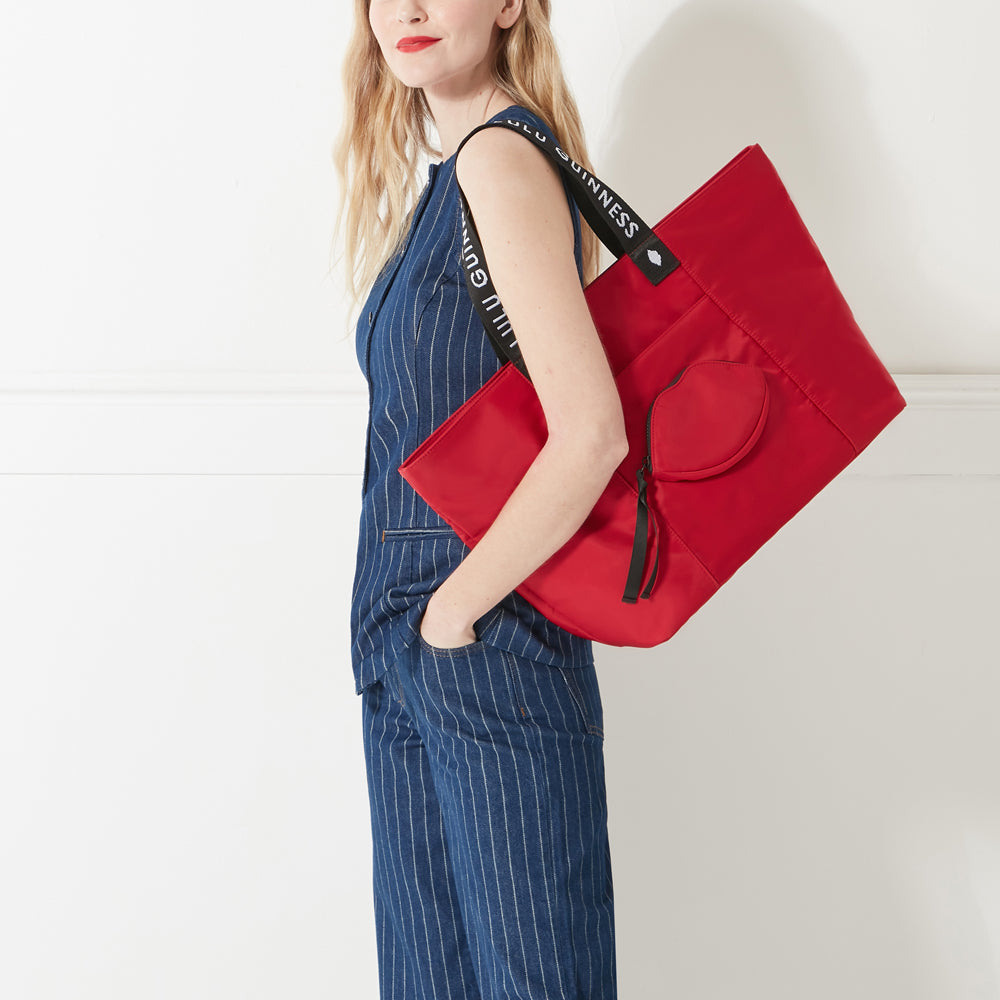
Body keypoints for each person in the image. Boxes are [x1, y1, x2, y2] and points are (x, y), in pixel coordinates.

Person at [334, 2, 626, 997]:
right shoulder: (451, 180)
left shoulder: (502, 165)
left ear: (508, 4)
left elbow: (592, 431)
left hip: (485, 653)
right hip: (413, 653)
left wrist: (452, 615)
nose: (406, 11)